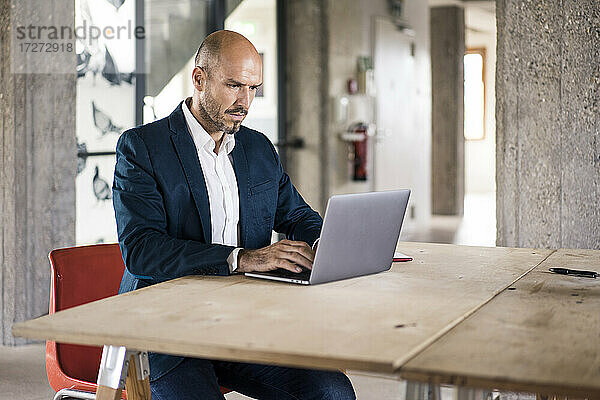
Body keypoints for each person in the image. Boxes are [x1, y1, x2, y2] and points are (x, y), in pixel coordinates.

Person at [112, 30, 356, 400]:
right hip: (163, 329)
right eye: (234, 86)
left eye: (254, 88)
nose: (245, 101)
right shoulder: (142, 148)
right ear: (199, 79)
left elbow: (298, 216)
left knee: (332, 392)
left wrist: (325, 245)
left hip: (241, 321)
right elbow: (142, 250)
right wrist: (242, 258)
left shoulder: (257, 147)